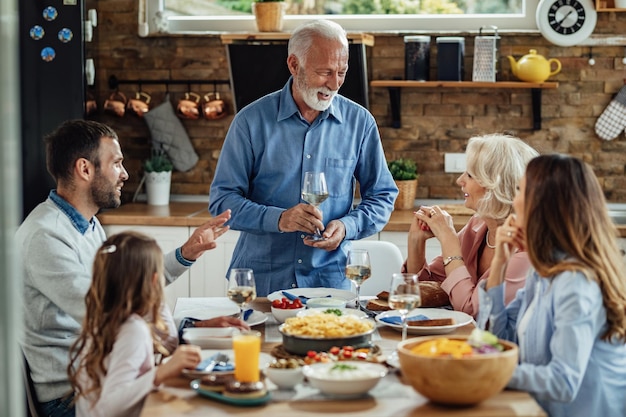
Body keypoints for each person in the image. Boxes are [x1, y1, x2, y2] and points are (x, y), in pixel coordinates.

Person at [16, 119, 247, 417]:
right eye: (116, 163)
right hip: (73, 396)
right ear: (85, 169)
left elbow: (125, 289)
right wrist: (190, 328)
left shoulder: (87, 225)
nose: (125, 174)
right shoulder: (45, 236)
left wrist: (186, 253)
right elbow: (109, 313)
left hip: (108, 375)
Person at [209, 19, 397, 296]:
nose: (334, 84)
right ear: (294, 65)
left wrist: (347, 226)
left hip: (330, 282)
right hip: (261, 282)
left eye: (341, 73)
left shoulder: (360, 123)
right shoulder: (250, 122)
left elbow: (382, 196)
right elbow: (222, 203)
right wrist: (279, 219)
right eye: (324, 72)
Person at [479, 154, 626, 417]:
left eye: (520, 191)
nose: (514, 201)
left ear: (542, 205)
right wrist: (499, 264)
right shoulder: (544, 270)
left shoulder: (575, 283)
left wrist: (482, 369)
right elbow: (501, 339)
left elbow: (563, 382)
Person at [68, 232, 202, 417]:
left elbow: (168, 342)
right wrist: (159, 374)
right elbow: (108, 406)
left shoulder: (102, 318)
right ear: (155, 281)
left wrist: (155, 298)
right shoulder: (132, 330)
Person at [405, 134, 538, 317]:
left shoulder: (528, 250)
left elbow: (474, 310)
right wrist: (415, 242)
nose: (460, 180)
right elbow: (421, 289)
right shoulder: (478, 225)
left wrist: (449, 240)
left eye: (470, 175)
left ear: (495, 185)